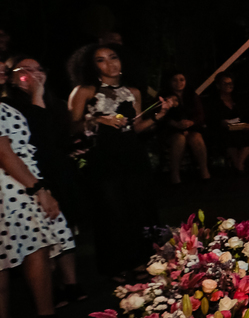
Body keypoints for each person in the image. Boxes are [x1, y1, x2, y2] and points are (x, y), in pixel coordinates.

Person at [67, 44, 173, 279]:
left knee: (137, 208)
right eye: (101, 60)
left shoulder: (132, 91)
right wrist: (95, 119)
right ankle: (115, 267)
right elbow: (71, 127)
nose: (110, 63)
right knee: (111, 212)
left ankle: (140, 261)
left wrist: (159, 116)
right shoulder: (84, 91)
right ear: (92, 65)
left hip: (132, 155)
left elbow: (135, 127)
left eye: (113, 57)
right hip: (103, 157)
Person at [5, 54, 85, 304]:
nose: (33, 73)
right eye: (24, 69)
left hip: (57, 168)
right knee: (41, 230)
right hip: (29, 173)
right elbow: (35, 137)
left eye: (38, 69)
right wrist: (37, 96)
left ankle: (71, 283)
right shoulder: (10, 106)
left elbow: (59, 136)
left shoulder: (56, 103)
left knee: (65, 223)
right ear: (12, 76)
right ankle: (52, 290)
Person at [0, 87, 73, 318]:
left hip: (13, 182)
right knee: (35, 247)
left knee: (2, 258)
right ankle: (45, 316)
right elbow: (4, 153)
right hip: (14, 185)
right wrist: (38, 188)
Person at [159, 71, 211, 184]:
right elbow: (161, 117)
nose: (179, 83)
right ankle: (175, 174)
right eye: (175, 80)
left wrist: (191, 122)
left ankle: (204, 171)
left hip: (191, 127)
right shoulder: (163, 96)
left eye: (181, 79)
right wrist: (175, 124)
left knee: (196, 137)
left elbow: (200, 114)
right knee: (179, 139)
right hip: (171, 128)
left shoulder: (192, 95)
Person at [203, 72, 249, 173]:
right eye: (225, 83)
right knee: (227, 137)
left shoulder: (238, 98)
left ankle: (238, 163)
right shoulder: (214, 102)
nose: (228, 86)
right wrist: (222, 122)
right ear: (219, 86)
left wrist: (245, 124)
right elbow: (212, 119)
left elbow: (246, 114)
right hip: (223, 129)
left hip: (240, 127)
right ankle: (238, 165)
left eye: (230, 83)